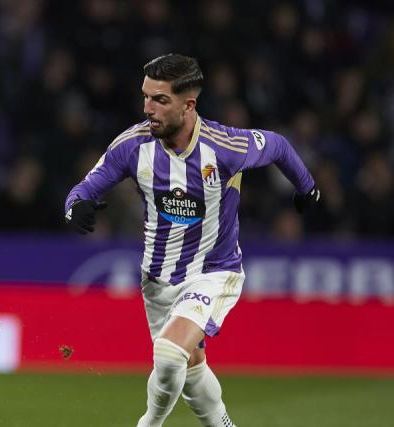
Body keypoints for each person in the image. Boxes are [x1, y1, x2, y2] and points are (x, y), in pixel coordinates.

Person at [64, 54, 319, 427]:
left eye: (160, 100)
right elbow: (83, 190)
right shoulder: (133, 146)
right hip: (157, 280)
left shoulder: (225, 146)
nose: (148, 109)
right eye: (146, 97)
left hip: (215, 272)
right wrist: (76, 207)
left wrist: (306, 187)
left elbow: (278, 145)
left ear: (189, 105)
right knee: (191, 368)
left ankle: (148, 423)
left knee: (168, 356)